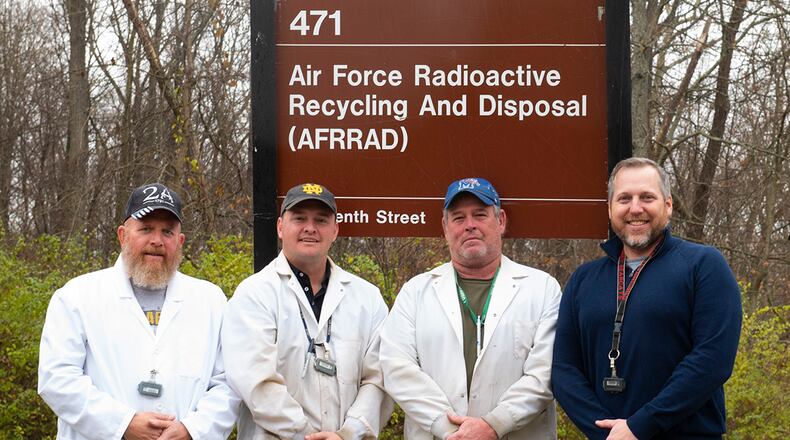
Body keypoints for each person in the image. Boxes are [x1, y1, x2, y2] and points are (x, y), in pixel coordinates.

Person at [551, 157, 743, 439]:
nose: (635, 208)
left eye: (647, 197)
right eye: (624, 198)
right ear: (610, 208)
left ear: (668, 205)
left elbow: (712, 360)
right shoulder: (583, 279)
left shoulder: (703, 265)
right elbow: (564, 369)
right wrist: (606, 431)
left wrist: (640, 426)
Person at [38, 183, 240, 440]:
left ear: (180, 241)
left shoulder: (210, 301)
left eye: (167, 231)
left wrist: (192, 429)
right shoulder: (77, 296)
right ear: (122, 235)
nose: (157, 240)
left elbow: (229, 383)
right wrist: (123, 424)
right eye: (146, 229)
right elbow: (57, 379)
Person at [380, 177, 562, 439]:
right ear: (445, 228)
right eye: (458, 218)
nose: (470, 225)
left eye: (480, 215)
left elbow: (545, 372)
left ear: (500, 221)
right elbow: (397, 368)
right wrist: (451, 430)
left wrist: (494, 424)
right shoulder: (415, 292)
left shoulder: (542, 288)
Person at [221, 183, 392, 440]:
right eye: (299, 218)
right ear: (280, 227)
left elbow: (378, 378)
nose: (310, 228)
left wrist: (349, 433)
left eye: (321, 220)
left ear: (335, 230)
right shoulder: (254, 294)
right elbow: (256, 382)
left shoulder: (368, 298)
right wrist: (304, 435)